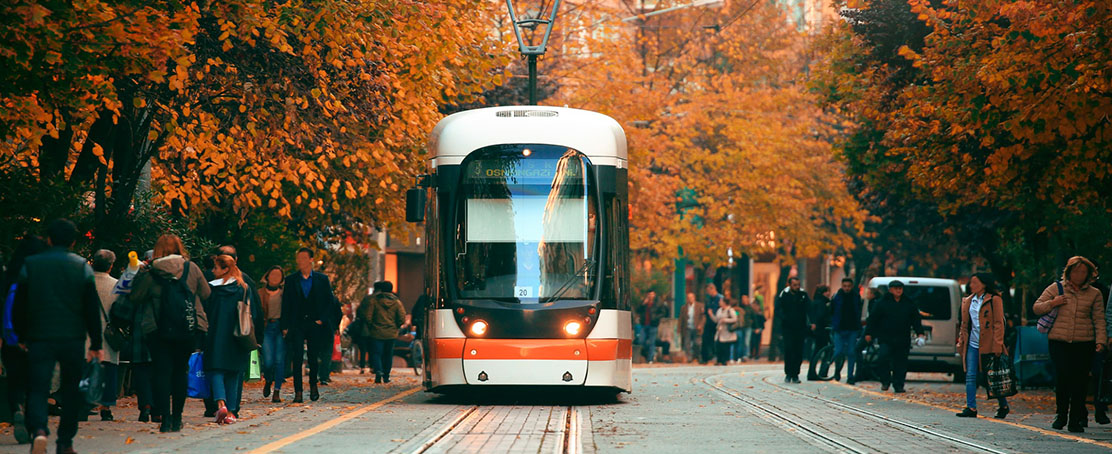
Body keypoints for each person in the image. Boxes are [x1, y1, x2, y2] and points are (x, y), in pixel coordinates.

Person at [12, 219, 103, 454]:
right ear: (73, 242)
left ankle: (39, 430)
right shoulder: (82, 266)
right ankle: (65, 441)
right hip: (72, 336)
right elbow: (91, 306)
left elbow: (19, 304)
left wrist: (21, 334)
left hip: (39, 334)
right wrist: (96, 342)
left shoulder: (30, 265)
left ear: (48, 239)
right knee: (71, 389)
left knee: (38, 386)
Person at [129, 234, 210, 432]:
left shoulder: (151, 272)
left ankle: (164, 418)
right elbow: (206, 293)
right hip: (187, 327)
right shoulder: (192, 268)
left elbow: (136, 297)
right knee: (180, 371)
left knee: (161, 372)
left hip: (157, 329)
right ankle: (177, 418)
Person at [1033, 256, 1106, 433]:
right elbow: (1037, 307)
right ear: (1069, 272)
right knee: (1063, 378)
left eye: (1083, 272)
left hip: (1083, 343)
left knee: (1080, 381)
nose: (1079, 275)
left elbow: (1099, 319)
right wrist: (1053, 302)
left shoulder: (1094, 294)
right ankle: (1061, 414)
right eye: (1076, 271)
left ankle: (1075, 419)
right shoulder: (1056, 288)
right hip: (1060, 342)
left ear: (1089, 274)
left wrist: (1101, 341)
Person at [1, 235, 48, 445]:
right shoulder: (40, 274)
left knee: (14, 376)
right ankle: (31, 419)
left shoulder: (9, 275)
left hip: (10, 336)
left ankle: (16, 407)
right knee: (35, 380)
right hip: (36, 336)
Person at [281, 247, 337, 402]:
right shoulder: (291, 280)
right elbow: (286, 303)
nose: (301, 262)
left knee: (313, 357)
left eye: (304, 258)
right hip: (297, 323)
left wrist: (322, 319)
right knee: (297, 357)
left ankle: (313, 386)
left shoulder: (321, 279)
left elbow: (329, 302)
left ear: (311, 260)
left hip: (315, 323)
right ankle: (298, 391)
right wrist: (285, 325)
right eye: (298, 258)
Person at [205, 255, 256, 425]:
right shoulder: (243, 288)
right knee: (234, 373)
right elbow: (251, 312)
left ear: (225, 269)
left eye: (216, 268)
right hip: (238, 334)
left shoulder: (212, 289)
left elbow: (207, 311)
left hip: (216, 333)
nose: (213, 271)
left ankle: (221, 403)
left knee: (216, 369)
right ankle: (232, 411)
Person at [956, 273, 1011, 419]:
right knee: (970, 375)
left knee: (991, 376)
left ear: (984, 284)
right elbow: (965, 324)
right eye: (971, 282)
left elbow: (999, 323)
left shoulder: (994, 300)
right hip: (972, 344)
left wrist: (998, 344)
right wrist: (961, 341)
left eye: (975, 282)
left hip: (989, 343)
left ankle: (1003, 405)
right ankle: (971, 407)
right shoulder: (968, 301)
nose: (971, 285)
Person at [864, 280, 927, 393]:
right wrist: (869, 333)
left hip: (902, 338)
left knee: (901, 362)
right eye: (896, 288)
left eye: (900, 288)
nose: (898, 290)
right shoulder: (882, 303)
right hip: (886, 337)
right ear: (890, 290)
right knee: (883, 358)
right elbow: (873, 319)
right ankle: (885, 380)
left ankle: (898, 384)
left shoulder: (908, 303)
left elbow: (916, 319)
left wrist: (920, 333)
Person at [91, 249, 121, 422]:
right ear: (110, 266)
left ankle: (84, 403)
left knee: (86, 369)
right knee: (109, 369)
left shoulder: (84, 282)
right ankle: (106, 407)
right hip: (109, 333)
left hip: (86, 333)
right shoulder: (117, 285)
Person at [362, 281, 406, 383]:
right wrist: (396, 326)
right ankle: (386, 376)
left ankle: (378, 371)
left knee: (376, 353)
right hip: (391, 332)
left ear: (381, 289)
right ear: (391, 289)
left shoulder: (374, 301)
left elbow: (368, 316)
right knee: (388, 354)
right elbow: (401, 317)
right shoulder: (397, 302)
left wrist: (372, 326)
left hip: (376, 332)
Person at [259, 266, 286, 402]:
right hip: (267, 327)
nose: (275, 278)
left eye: (278, 275)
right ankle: (268, 380)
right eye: (273, 274)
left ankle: (277, 391)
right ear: (267, 276)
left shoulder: (285, 294)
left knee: (279, 361)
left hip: (281, 328)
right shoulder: (260, 293)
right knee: (268, 361)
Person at [776, 277, 809, 383]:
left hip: (800, 327)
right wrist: (784, 318)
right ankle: (788, 373)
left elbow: (809, 308)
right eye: (794, 285)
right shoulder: (784, 294)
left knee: (798, 351)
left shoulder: (803, 295)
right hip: (788, 328)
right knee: (789, 349)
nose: (797, 287)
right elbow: (778, 309)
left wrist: (810, 322)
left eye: (798, 285)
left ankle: (795, 374)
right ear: (789, 285)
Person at [830, 278, 863, 384]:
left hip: (852, 328)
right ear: (842, 286)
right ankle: (837, 370)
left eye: (848, 286)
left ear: (852, 286)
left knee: (851, 352)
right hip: (840, 328)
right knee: (838, 351)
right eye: (845, 286)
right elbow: (832, 310)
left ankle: (850, 376)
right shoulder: (837, 297)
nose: (847, 288)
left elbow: (858, 311)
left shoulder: (856, 297)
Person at [635, 291, 669, 363]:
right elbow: (637, 310)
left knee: (652, 342)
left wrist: (656, 318)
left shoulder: (658, 303)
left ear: (654, 295)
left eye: (652, 294)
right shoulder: (644, 303)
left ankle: (650, 359)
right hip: (644, 325)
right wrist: (643, 304)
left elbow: (663, 312)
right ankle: (647, 354)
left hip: (653, 325)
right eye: (649, 294)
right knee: (641, 341)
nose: (651, 296)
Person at [711, 296, 738, 365]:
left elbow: (735, 319)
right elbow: (716, 320)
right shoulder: (719, 310)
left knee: (725, 346)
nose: (719, 302)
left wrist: (725, 320)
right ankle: (719, 360)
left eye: (721, 301)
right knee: (718, 345)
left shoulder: (730, 310)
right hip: (720, 330)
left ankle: (725, 360)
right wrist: (711, 315)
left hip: (727, 331)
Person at [678, 292, 704, 363]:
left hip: (696, 328)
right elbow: (681, 318)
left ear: (694, 298)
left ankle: (697, 356)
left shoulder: (699, 306)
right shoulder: (684, 307)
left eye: (691, 297)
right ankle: (689, 358)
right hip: (687, 327)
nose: (690, 299)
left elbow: (703, 317)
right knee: (687, 344)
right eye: (688, 298)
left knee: (697, 343)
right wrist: (679, 328)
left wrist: (700, 325)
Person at [702, 284, 723, 364]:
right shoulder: (709, 299)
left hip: (717, 321)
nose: (708, 293)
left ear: (713, 289)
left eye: (709, 291)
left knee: (716, 340)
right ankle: (707, 357)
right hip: (709, 321)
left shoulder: (720, 298)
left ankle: (715, 356)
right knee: (706, 339)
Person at [749, 291, 766, 360]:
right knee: (752, 342)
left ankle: (757, 354)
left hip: (759, 329)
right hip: (753, 329)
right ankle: (752, 354)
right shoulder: (752, 314)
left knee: (757, 342)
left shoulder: (760, 314)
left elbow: (763, 322)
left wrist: (760, 329)